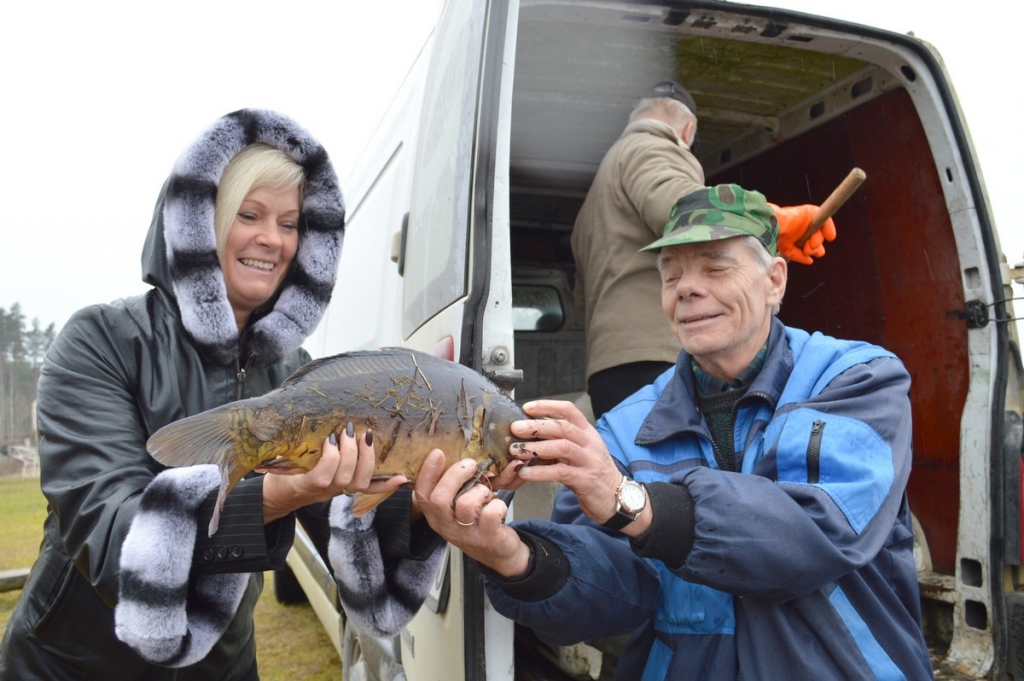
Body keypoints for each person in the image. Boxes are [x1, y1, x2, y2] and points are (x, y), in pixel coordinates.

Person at [408, 184, 933, 679]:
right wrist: (508, 554)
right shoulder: (625, 426)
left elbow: (816, 534)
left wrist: (632, 502)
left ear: (775, 280)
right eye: (670, 273)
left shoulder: (857, 380)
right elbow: (614, 593)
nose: (687, 288)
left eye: (715, 267)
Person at [0, 109, 406, 681]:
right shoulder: (101, 340)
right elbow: (109, 534)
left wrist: (440, 471)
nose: (273, 239)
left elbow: (346, 524)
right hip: (74, 664)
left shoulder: (300, 376)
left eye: (290, 224)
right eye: (249, 214)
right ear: (200, 222)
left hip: (223, 666)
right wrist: (276, 495)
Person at [572, 79, 839, 418]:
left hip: (608, 365)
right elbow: (683, 211)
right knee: (679, 468)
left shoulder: (593, 203)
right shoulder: (652, 147)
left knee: (635, 467)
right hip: (662, 357)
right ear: (688, 131)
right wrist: (778, 222)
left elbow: (581, 305)